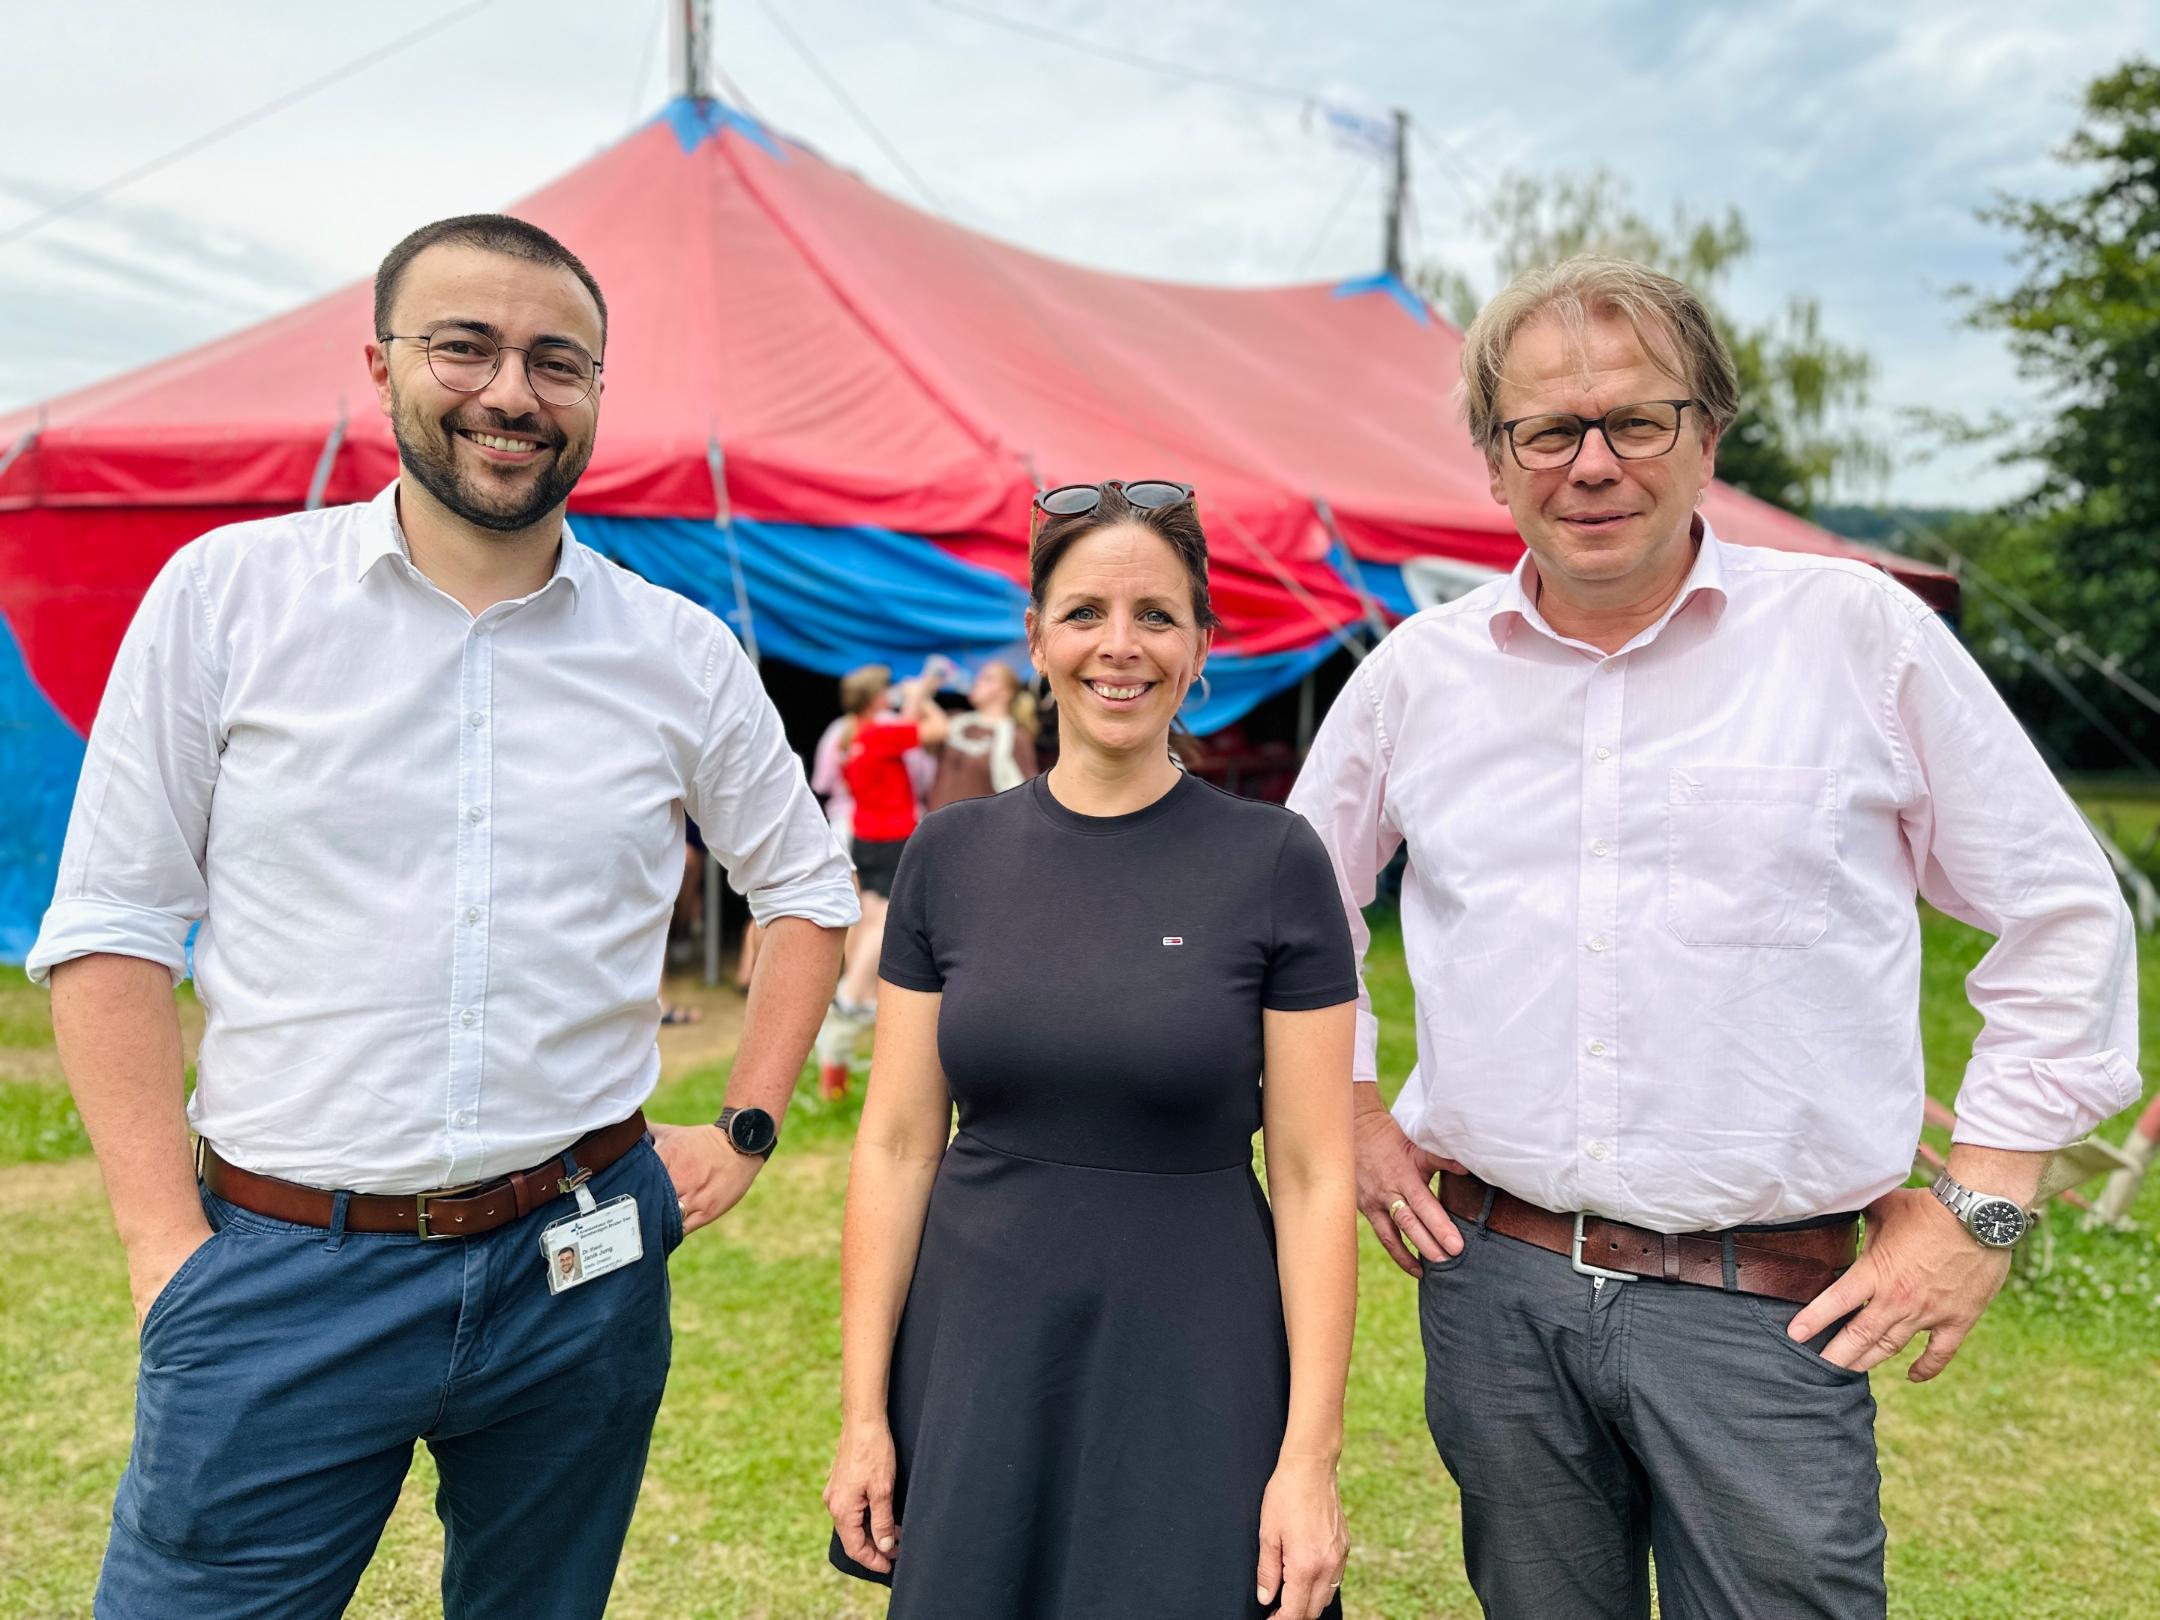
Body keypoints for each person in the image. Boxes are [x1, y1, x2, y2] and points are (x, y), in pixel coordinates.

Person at [1286, 255, 2141, 1619]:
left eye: (1637, 419)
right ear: (1497, 464)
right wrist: (1346, 1102)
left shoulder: (1857, 635)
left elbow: (2061, 911)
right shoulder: (1417, 678)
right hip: (1493, 1291)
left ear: (1708, 435)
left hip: (1767, 1305)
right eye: (1548, 431)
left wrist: (1985, 1205)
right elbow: (1286, 909)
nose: (1593, 464)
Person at [32, 213, 858, 1619]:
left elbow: (803, 889)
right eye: (463, 346)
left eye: (557, 361)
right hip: (281, 1267)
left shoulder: (678, 652)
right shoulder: (231, 599)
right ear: (381, 363)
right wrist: (162, 1252)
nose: (510, 393)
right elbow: (112, 924)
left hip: (580, 1259)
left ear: (598, 392)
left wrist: (747, 1125)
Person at [824, 480, 1358, 1620]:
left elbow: (1315, 1177)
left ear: (1204, 644)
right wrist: (864, 1413)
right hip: (979, 1349)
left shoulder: (1275, 861)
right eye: (1084, 613)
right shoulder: (947, 855)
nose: (1121, 648)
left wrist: (1307, 1461)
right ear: (1035, 638)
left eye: (1158, 616)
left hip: (1197, 1356)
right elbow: (899, 1146)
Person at [833, 663, 950, 1019]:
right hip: (891, 834)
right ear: (874, 699)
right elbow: (937, 730)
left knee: (868, 915)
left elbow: (906, 727)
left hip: (865, 834)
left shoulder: (852, 736)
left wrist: (916, 699)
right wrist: (921, 697)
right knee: (884, 919)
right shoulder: (877, 735)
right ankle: (851, 994)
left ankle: (863, 994)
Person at [924, 659, 1039, 810]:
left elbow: (1026, 795)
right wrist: (925, 687)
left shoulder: (1015, 735)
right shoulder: (956, 721)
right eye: (978, 676)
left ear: (1005, 693)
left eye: (987, 678)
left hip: (977, 829)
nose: (977, 681)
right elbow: (910, 733)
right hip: (936, 824)